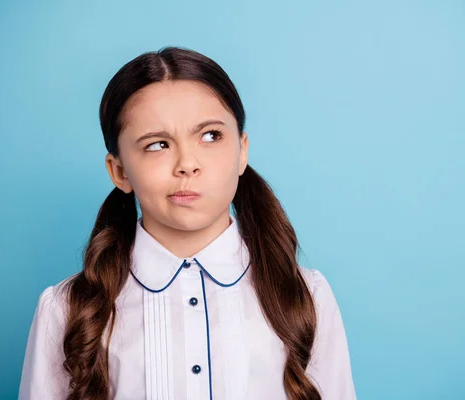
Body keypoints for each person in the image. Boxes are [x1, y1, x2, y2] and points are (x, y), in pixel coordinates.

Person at [18, 46, 356, 400]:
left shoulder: (307, 295)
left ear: (242, 150)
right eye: (158, 144)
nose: (187, 164)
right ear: (119, 171)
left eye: (210, 136)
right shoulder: (66, 308)